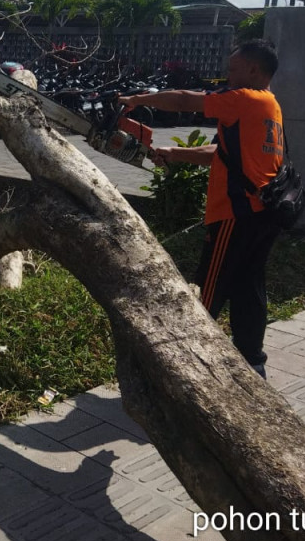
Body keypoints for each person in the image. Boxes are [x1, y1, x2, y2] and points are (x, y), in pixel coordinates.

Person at [120, 40, 284, 379]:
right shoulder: (269, 105)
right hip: (262, 214)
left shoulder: (244, 98)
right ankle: (253, 364)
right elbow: (220, 153)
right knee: (247, 288)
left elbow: (182, 99)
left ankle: (184, 367)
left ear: (254, 70)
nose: (227, 74)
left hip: (235, 215)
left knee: (208, 289)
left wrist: (138, 99)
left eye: (233, 68)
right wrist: (175, 153)